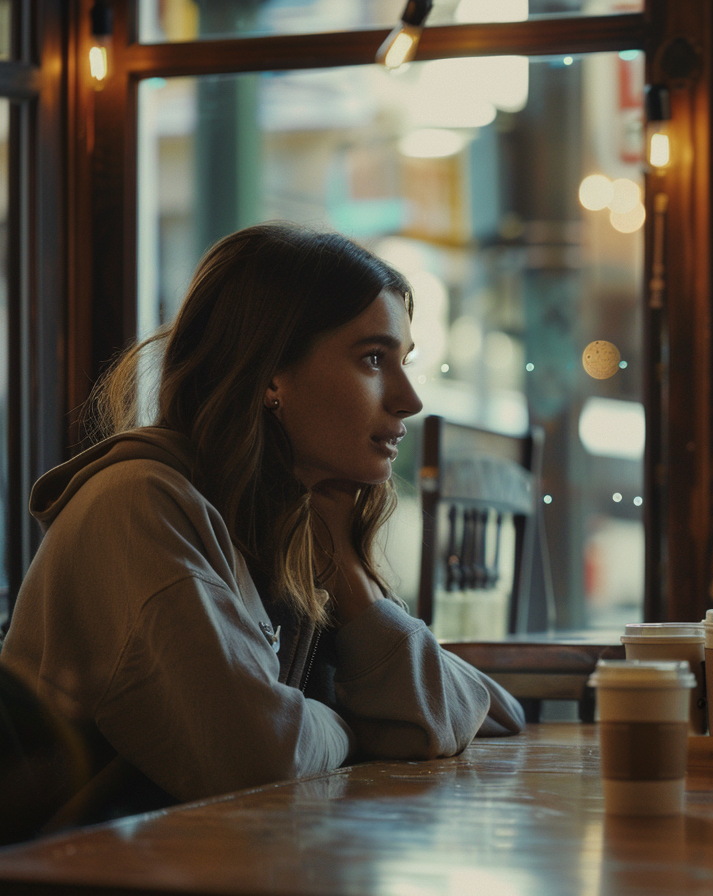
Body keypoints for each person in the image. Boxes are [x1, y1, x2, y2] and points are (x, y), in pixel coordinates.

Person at [0, 223, 524, 829]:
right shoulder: (139, 506)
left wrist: (351, 579)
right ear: (271, 373)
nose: (409, 398)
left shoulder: (289, 521)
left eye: (405, 362)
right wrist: (352, 724)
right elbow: (259, 757)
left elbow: (484, 710)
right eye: (374, 359)